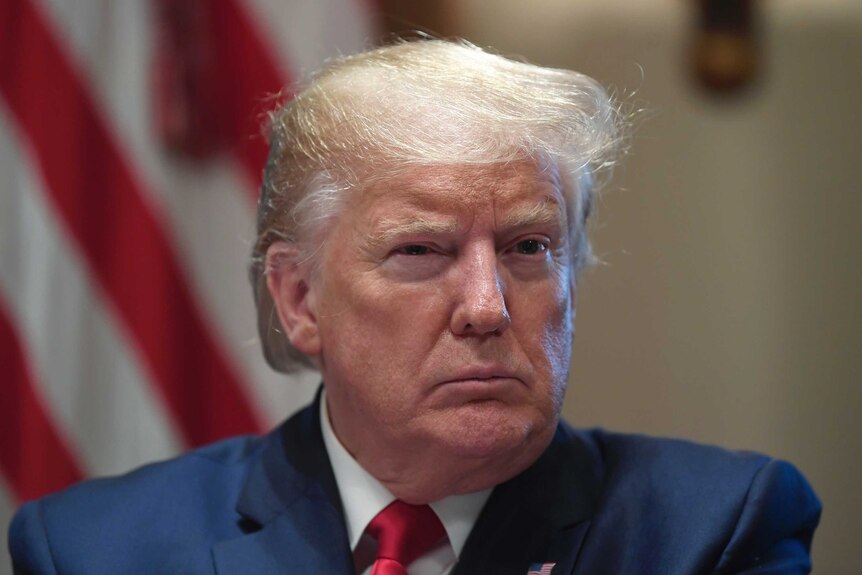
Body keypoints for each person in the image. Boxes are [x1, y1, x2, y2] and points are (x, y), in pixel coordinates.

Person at [9, 39, 820, 575]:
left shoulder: (716, 531)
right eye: (420, 252)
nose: (485, 306)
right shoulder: (94, 550)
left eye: (528, 247)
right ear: (299, 298)